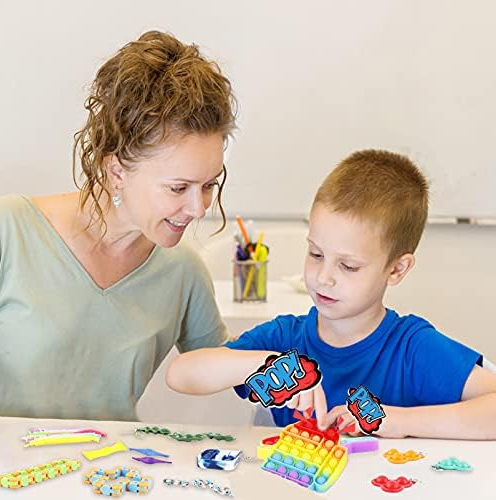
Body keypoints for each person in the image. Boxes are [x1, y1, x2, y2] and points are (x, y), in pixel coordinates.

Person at [167, 149, 496, 439]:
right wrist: (262, 363)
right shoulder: (285, 338)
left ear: (396, 269)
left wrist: (399, 421)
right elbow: (181, 374)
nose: (324, 277)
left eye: (348, 266)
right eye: (315, 254)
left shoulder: (412, 348)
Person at [0, 30, 236, 420]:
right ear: (117, 171)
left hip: (112, 460)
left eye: (209, 185)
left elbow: (222, 366)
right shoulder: (8, 233)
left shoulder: (183, 271)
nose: (198, 208)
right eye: (178, 188)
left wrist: (302, 355)